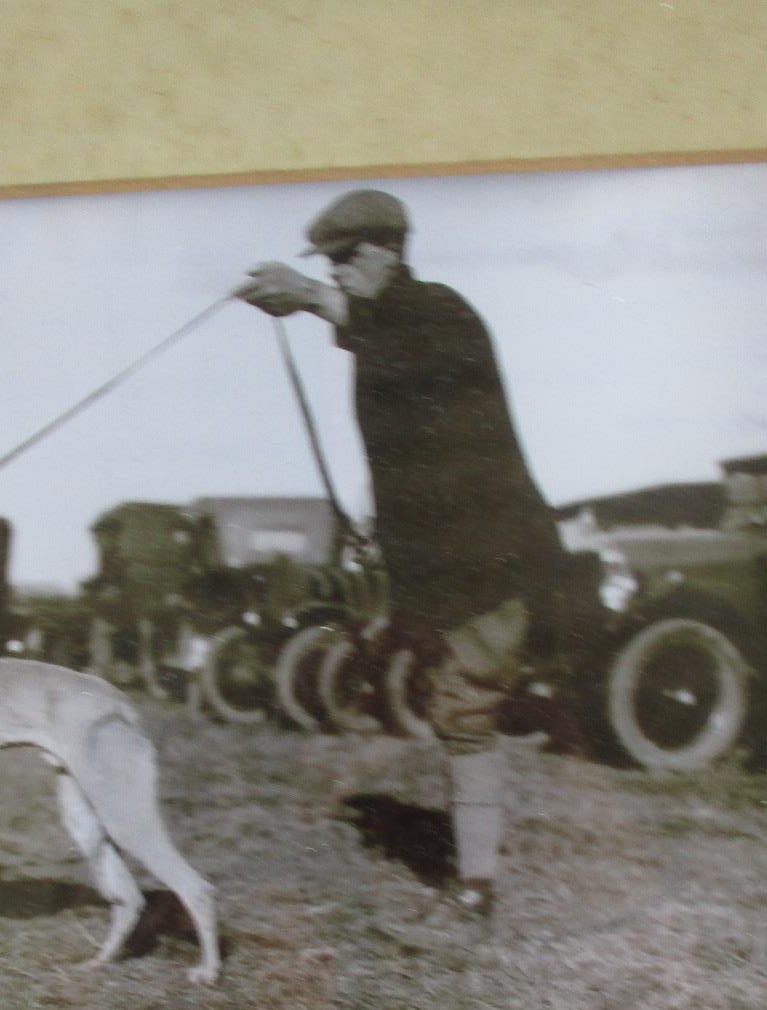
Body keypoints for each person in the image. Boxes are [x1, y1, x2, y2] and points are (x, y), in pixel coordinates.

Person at [238, 189, 563, 921]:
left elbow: (402, 344)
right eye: (332, 263)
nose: (342, 272)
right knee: (456, 711)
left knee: (465, 714)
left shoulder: (439, 312)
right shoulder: (395, 325)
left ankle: (476, 886)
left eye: (348, 259)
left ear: (389, 250)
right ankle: (475, 873)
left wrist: (311, 298)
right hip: (452, 564)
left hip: (492, 561)